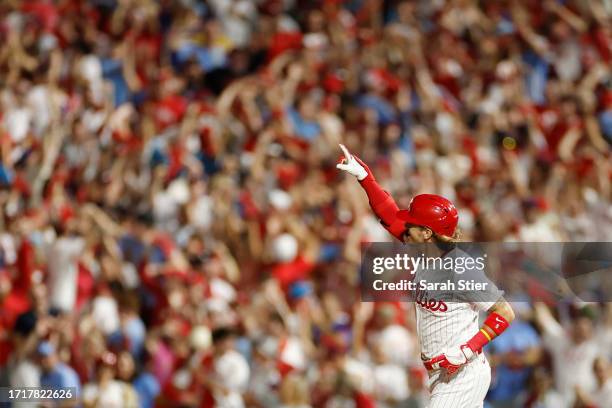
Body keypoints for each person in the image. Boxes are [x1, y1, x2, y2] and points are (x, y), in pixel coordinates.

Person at [337, 145, 515, 408]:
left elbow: (505, 312)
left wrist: (468, 349)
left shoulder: (460, 268)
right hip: (439, 374)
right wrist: (366, 179)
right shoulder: (422, 249)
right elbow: (389, 214)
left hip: (463, 374)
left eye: (413, 224)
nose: (406, 226)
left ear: (428, 233)